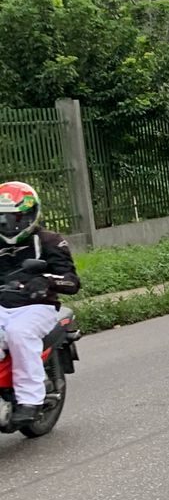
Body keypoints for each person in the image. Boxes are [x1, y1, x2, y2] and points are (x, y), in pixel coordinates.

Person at [0, 182, 80, 426]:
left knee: (19, 333)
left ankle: (30, 400)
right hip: (3, 306)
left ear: (29, 214)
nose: (8, 224)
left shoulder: (49, 240)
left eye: (14, 217)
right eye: (2, 218)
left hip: (37, 307)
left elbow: (71, 281)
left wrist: (45, 281)